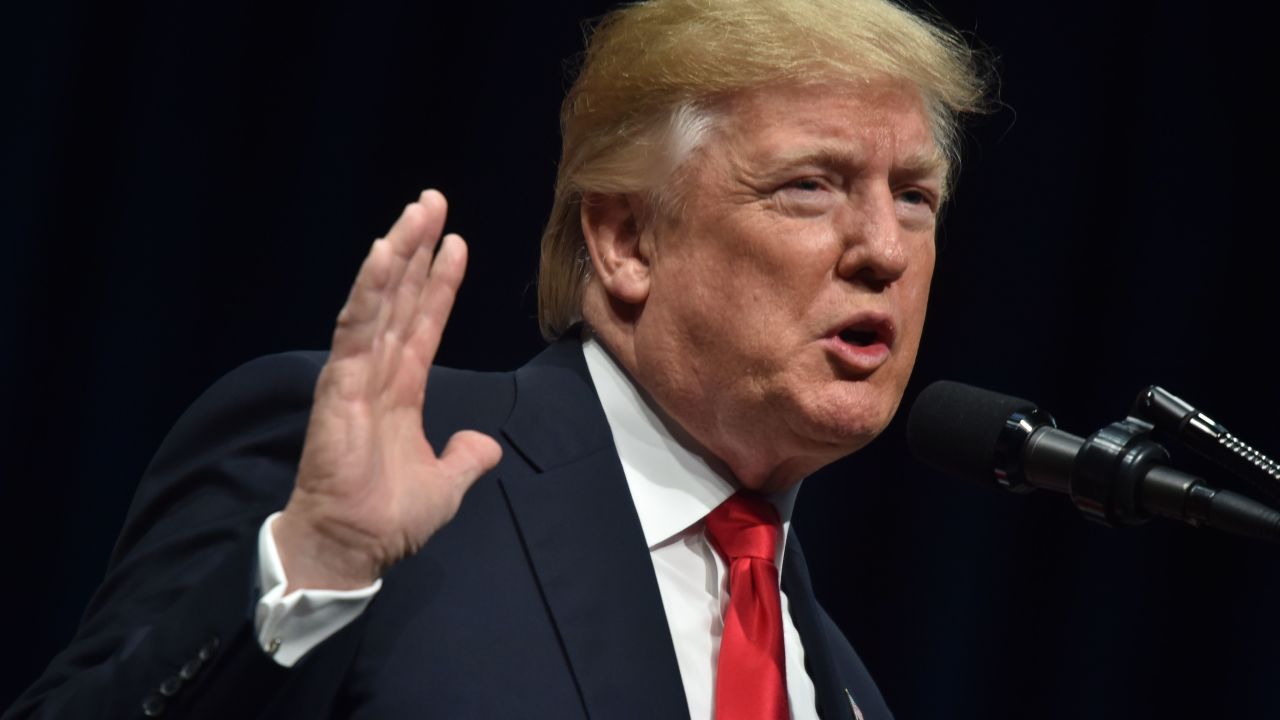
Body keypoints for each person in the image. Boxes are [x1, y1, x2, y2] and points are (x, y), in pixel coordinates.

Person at [6, 0, 986, 718]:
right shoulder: (383, 473)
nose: (884, 249)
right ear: (626, 241)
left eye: (913, 195)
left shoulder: (844, 690)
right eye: (809, 186)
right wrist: (314, 567)